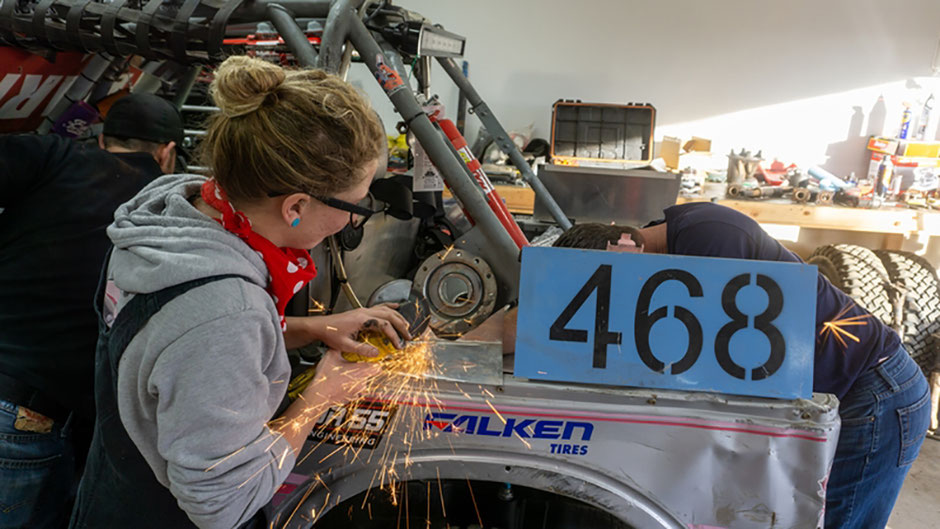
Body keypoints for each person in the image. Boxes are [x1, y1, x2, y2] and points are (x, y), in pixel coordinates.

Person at [68, 55, 411, 529]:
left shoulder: (169, 219)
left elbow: (172, 342)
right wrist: (323, 395)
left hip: (111, 496)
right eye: (356, 205)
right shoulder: (226, 310)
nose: (354, 220)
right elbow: (222, 504)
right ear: (296, 206)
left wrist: (310, 328)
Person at [552, 202, 931, 529]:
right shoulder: (681, 236)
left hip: (874, 394)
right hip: (851, 390)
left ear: (624, 247)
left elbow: (709, 367)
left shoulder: (710, 240)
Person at [0, 92, 183, 529]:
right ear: (168, 152)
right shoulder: (171, 210)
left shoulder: (50, 155)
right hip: (26, 420)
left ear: (102, 141)